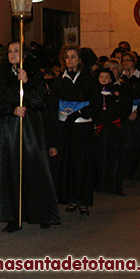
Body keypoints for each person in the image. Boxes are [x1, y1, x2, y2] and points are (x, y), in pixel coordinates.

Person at [0, 42, 60, 232]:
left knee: (36, 168)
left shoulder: (35, 75)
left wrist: (26, 83)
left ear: (24, 55)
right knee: (11, 171)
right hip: (10, 129)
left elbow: (41, 101)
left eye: (16, 51)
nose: (12, 54)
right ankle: (14, 217)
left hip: (32, 129)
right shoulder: (1, 77)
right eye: (10, 51)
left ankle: (43, 214)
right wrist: (11, 109)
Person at [49, 45, 101, 216]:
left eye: (73, 57)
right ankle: (71, 198)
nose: (70, 60)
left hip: (83, 127)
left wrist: (79, 113)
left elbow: (96, 103)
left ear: (79, 60)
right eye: (67, 57)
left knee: (83, 164)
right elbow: (53, 106)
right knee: (68, 164)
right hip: (65, 128)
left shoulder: (89, 80)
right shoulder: (58, 81)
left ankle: (83, 200)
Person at [93, 68, 131, 195]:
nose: (103, 79)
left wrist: (116, 97)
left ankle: (114, 185)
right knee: (98, 156)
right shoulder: (94, 91)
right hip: (99, 127)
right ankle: (97, 184)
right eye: (101, 77)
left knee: (114, 156)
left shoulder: (118, 90)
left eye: (106, 77)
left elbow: (124, 107)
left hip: (113, 127)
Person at [120, 51, 140, 183]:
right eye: (124, 60)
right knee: (126, 143)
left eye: (128, 60)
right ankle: (126, 172)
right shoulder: (121, 78)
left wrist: (136, 112)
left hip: (139, 113)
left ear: (134, 62)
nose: (125, 63)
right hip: (125, 113)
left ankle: (138, 173)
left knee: (139, 142)